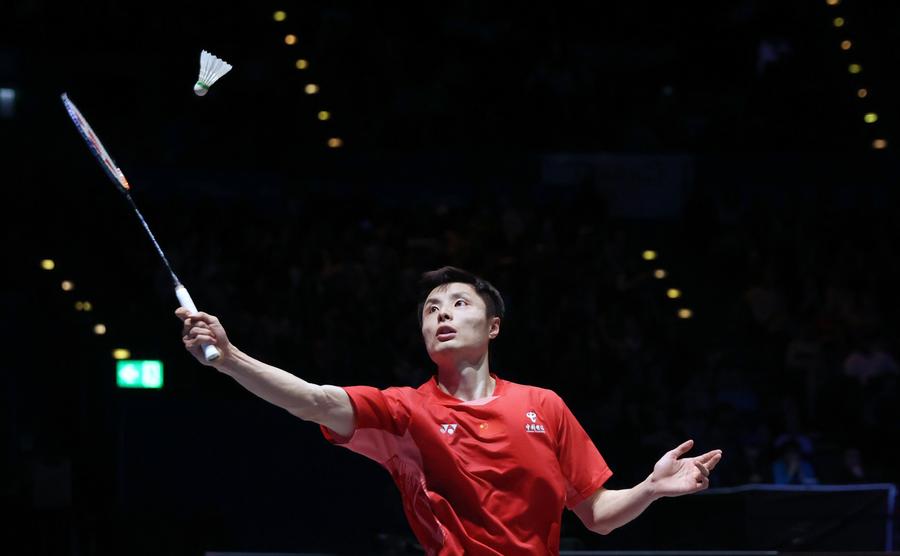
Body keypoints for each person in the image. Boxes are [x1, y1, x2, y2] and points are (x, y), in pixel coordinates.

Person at [177, 266, 722, 555]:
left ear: (493, 327)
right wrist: (230, 359)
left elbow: (598, 517)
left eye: (459, 304)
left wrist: (650, 489)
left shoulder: (543, 406)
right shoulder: (403, 412)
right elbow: (314, 400)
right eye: (431, 310)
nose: (441, 314)